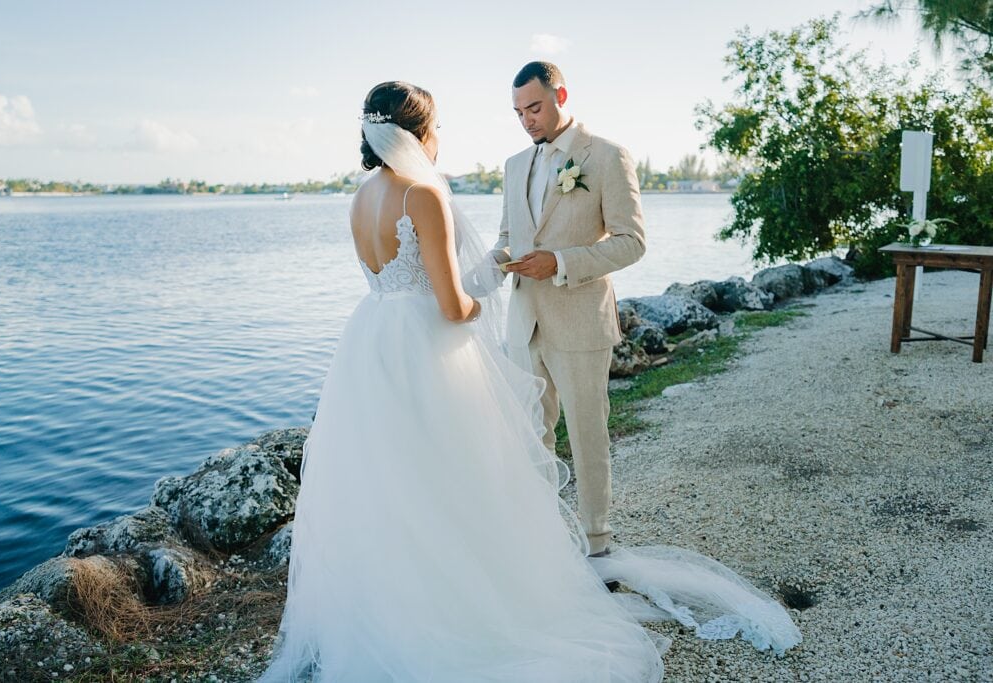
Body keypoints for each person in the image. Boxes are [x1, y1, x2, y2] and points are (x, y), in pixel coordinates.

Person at [256, 81, 800, 683]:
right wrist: (474, 306)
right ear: (419, 131)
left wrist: (537, 267)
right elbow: (451, 304)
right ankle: (472, 606)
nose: (521, 121)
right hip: (429, 348)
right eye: (437, 127)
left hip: (372, 349)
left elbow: (620, 240)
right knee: (456, 474)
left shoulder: (360, 198)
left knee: (398, 478)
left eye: (530, 108)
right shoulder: (425, 196)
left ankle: (401, 604)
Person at [495, 61, 645, 557]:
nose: (527, 120)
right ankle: (544, 542)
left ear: (561, 95)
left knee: (586, 437)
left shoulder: (605, 156)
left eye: (534, 107)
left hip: (581, 321)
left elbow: (631, 243)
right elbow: (506, 239)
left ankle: (597, 543)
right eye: (518, 112)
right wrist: (483, 267)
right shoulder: (516, 165)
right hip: (524, 323)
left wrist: (560, 261)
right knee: (530, 437)